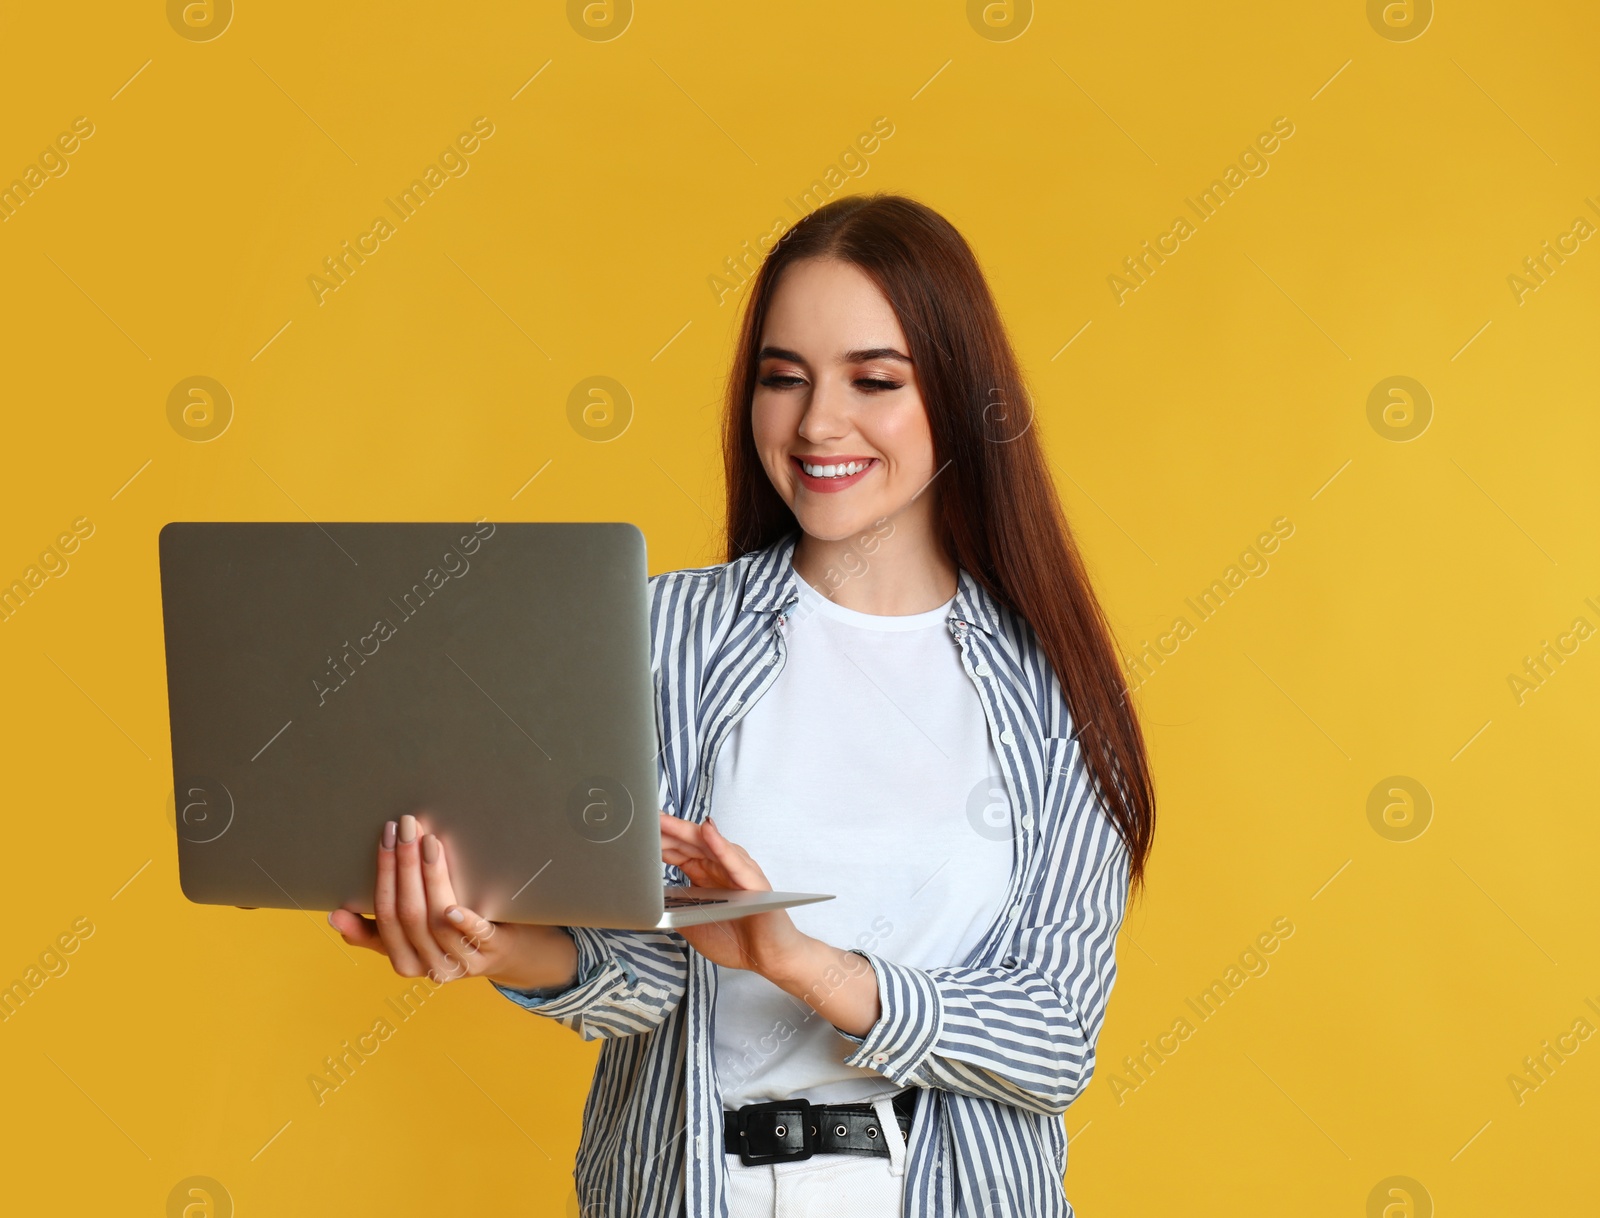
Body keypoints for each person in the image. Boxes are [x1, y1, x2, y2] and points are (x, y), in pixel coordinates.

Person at [330, 192, 1156, 1218]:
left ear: (956, 396)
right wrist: (494, 946)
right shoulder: (660, 635)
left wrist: (802, 962)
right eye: (784, 380)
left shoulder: (1052, 693)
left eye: (873, 380)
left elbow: (1051, 1039)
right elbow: (643, 977)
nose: (816, 423)